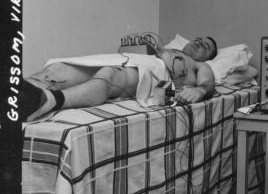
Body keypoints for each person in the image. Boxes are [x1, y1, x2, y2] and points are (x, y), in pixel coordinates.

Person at [21, 45, 216, 122]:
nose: (198, 42)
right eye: (198, 39)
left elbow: (208, 84)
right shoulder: (171, 49)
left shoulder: (200, 66)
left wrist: (199, 90)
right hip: (136, 61)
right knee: (60, 69)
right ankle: (16, 91)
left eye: (205, 45)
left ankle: (51, 100)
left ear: (209, 55)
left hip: (160, 80)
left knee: (110, 74)